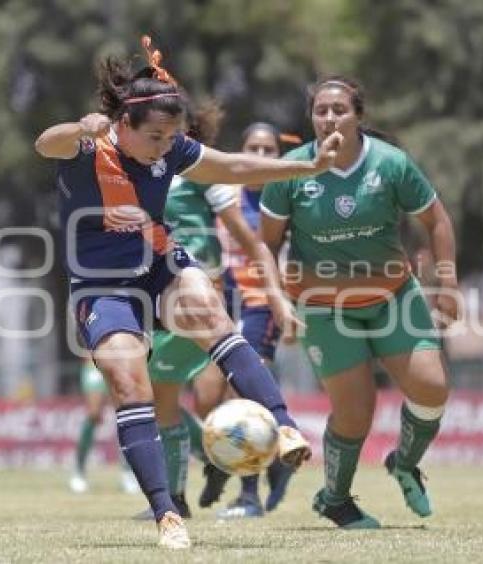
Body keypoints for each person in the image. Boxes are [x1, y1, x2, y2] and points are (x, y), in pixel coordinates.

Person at [34, 36, 342, 549]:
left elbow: (234, 167)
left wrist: (307, 167)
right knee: (130, 384)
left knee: (206, 306)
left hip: (156, 261)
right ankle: (166, 514)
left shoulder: (170, 146)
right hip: (101, 284)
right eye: (155, 137)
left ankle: (284, 426)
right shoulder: (89, 146)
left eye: (171, 137)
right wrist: (77, 127)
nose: (165, 148)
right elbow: (46, 142)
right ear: (123, 125)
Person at [260, 76, 459, 529]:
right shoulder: (290, 171)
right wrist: (276, 301)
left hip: (392, 296)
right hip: (324, 306)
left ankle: (405, 464)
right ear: (311, 117)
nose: (329, 117)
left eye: (339, 109)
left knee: (432, 386)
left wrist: (447, 283)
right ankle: (335, 499)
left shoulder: (391, 164)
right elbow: (265, 247)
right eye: (321, 110)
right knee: (355, 412)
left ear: (358, 116)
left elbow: (437, 219)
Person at [134, 103, 298, 521]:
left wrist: (277, 296)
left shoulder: (201, 174)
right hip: (158, 300)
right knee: (182, 401)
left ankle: (241, 474)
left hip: (199, 299)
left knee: (175, 395)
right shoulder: (141, 172)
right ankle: (186, 490)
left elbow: (253, 241)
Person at [211, 122, 302, 519]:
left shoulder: (287, 197)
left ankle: (249, 496)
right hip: (222, 304)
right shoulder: (223, 193)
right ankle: (270, 466)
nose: (262, 157)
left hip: (263, 303)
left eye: (269, 150)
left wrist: (289, 303)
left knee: (244, 395)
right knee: (206, 397)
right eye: (254, 148)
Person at [69, 358, 141, 495]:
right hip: (95, 364)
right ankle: (79, 470)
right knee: (93, 414)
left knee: (125, 413)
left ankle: (128, 473)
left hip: (122, 364)